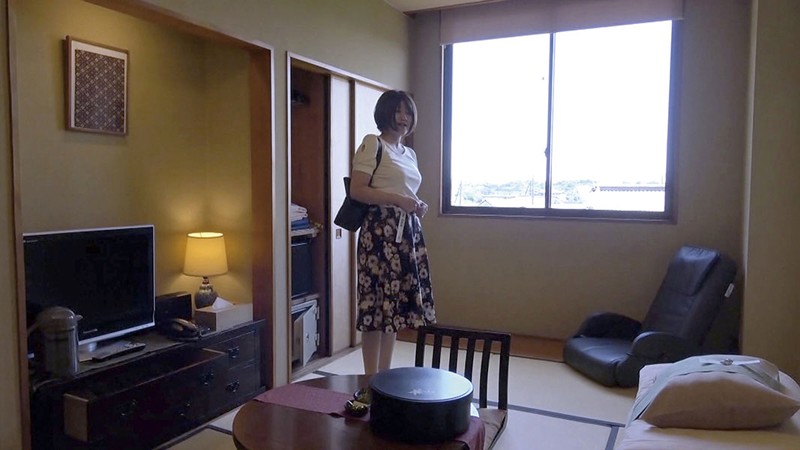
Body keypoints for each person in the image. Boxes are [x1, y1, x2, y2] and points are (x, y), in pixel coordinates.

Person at [349, 90, 436, 375]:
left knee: (393, 309)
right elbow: (357, 190)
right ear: (385, 113)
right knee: (375, 308)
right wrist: (398, 200)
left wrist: (415, 204)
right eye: (398, 111)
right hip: (379, 235)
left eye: (408, 112)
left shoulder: (409, 153)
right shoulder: (372, 144)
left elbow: (405, 190)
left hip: (406, 233)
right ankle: (370, 378)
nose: (403, 117)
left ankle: (384, 376)